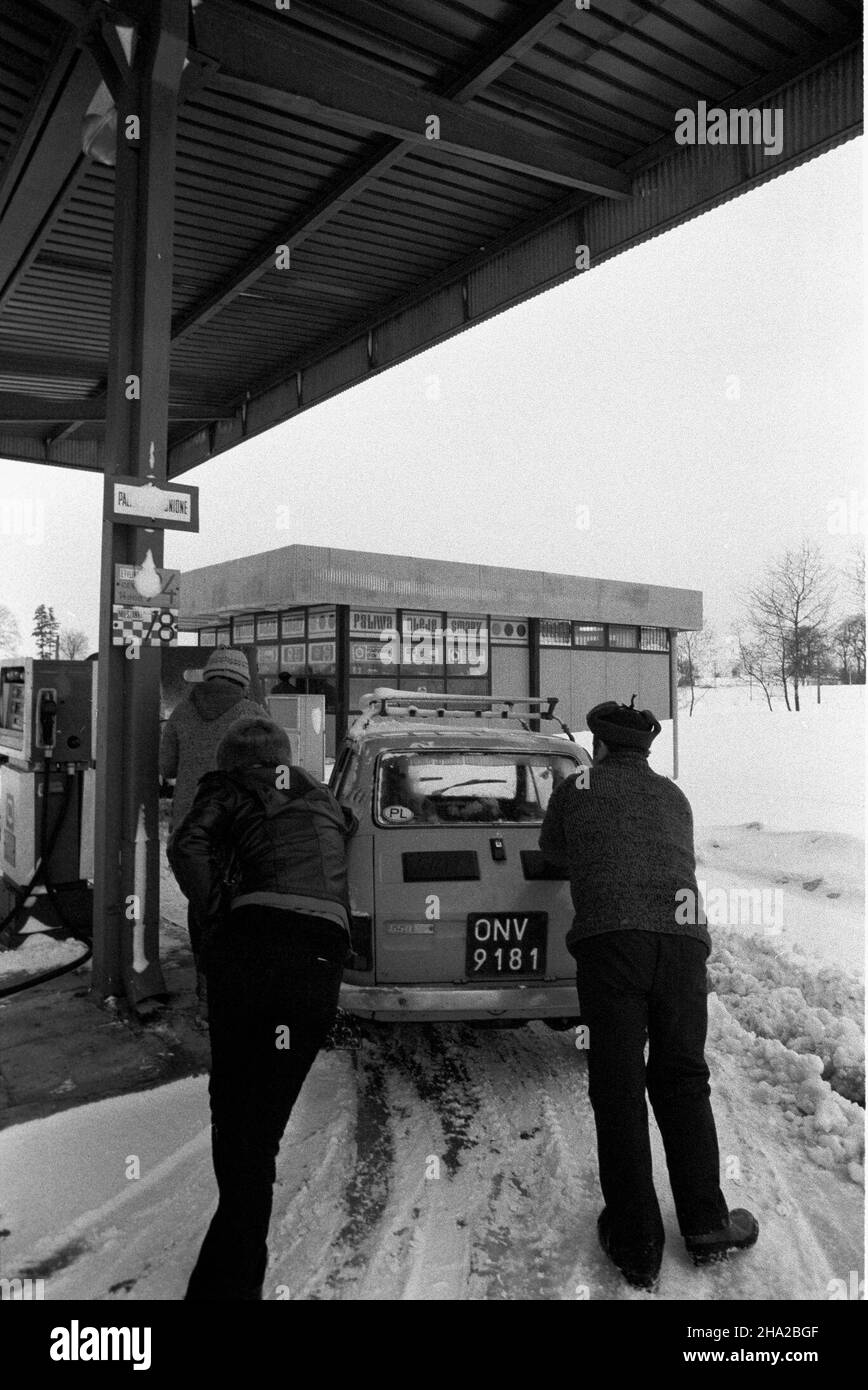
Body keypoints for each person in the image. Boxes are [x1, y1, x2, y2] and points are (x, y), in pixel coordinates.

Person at [539, 696, 758, 1291]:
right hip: (685, 945)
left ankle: (637, 1242)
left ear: (599, 744)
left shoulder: (578, 786)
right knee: (683, 1077)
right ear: (647, 748)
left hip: (614, 944)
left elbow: (553, 851)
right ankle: (707, 1224)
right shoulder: (674, 796)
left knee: (618, 1085)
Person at [167, 715, 357, 1300]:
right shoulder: (321, 797)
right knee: (260, 1130)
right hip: (320, 965)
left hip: (254, 950)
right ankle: (227, 1272)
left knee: (235, 1115)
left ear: (233, 762)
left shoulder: (228, 786)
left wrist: (221, 908)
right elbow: (342, 830)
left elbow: (186, 844)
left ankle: (229, 1284)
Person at [159, 648, 262, 1014]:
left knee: (202, 906)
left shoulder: (182, 712)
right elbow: (274, 770)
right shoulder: (251, 714)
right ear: (243, 680)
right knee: (238, 907)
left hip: (190, 832)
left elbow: (166, 767)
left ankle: (206, 992)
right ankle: (233, 991)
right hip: (234, 832)